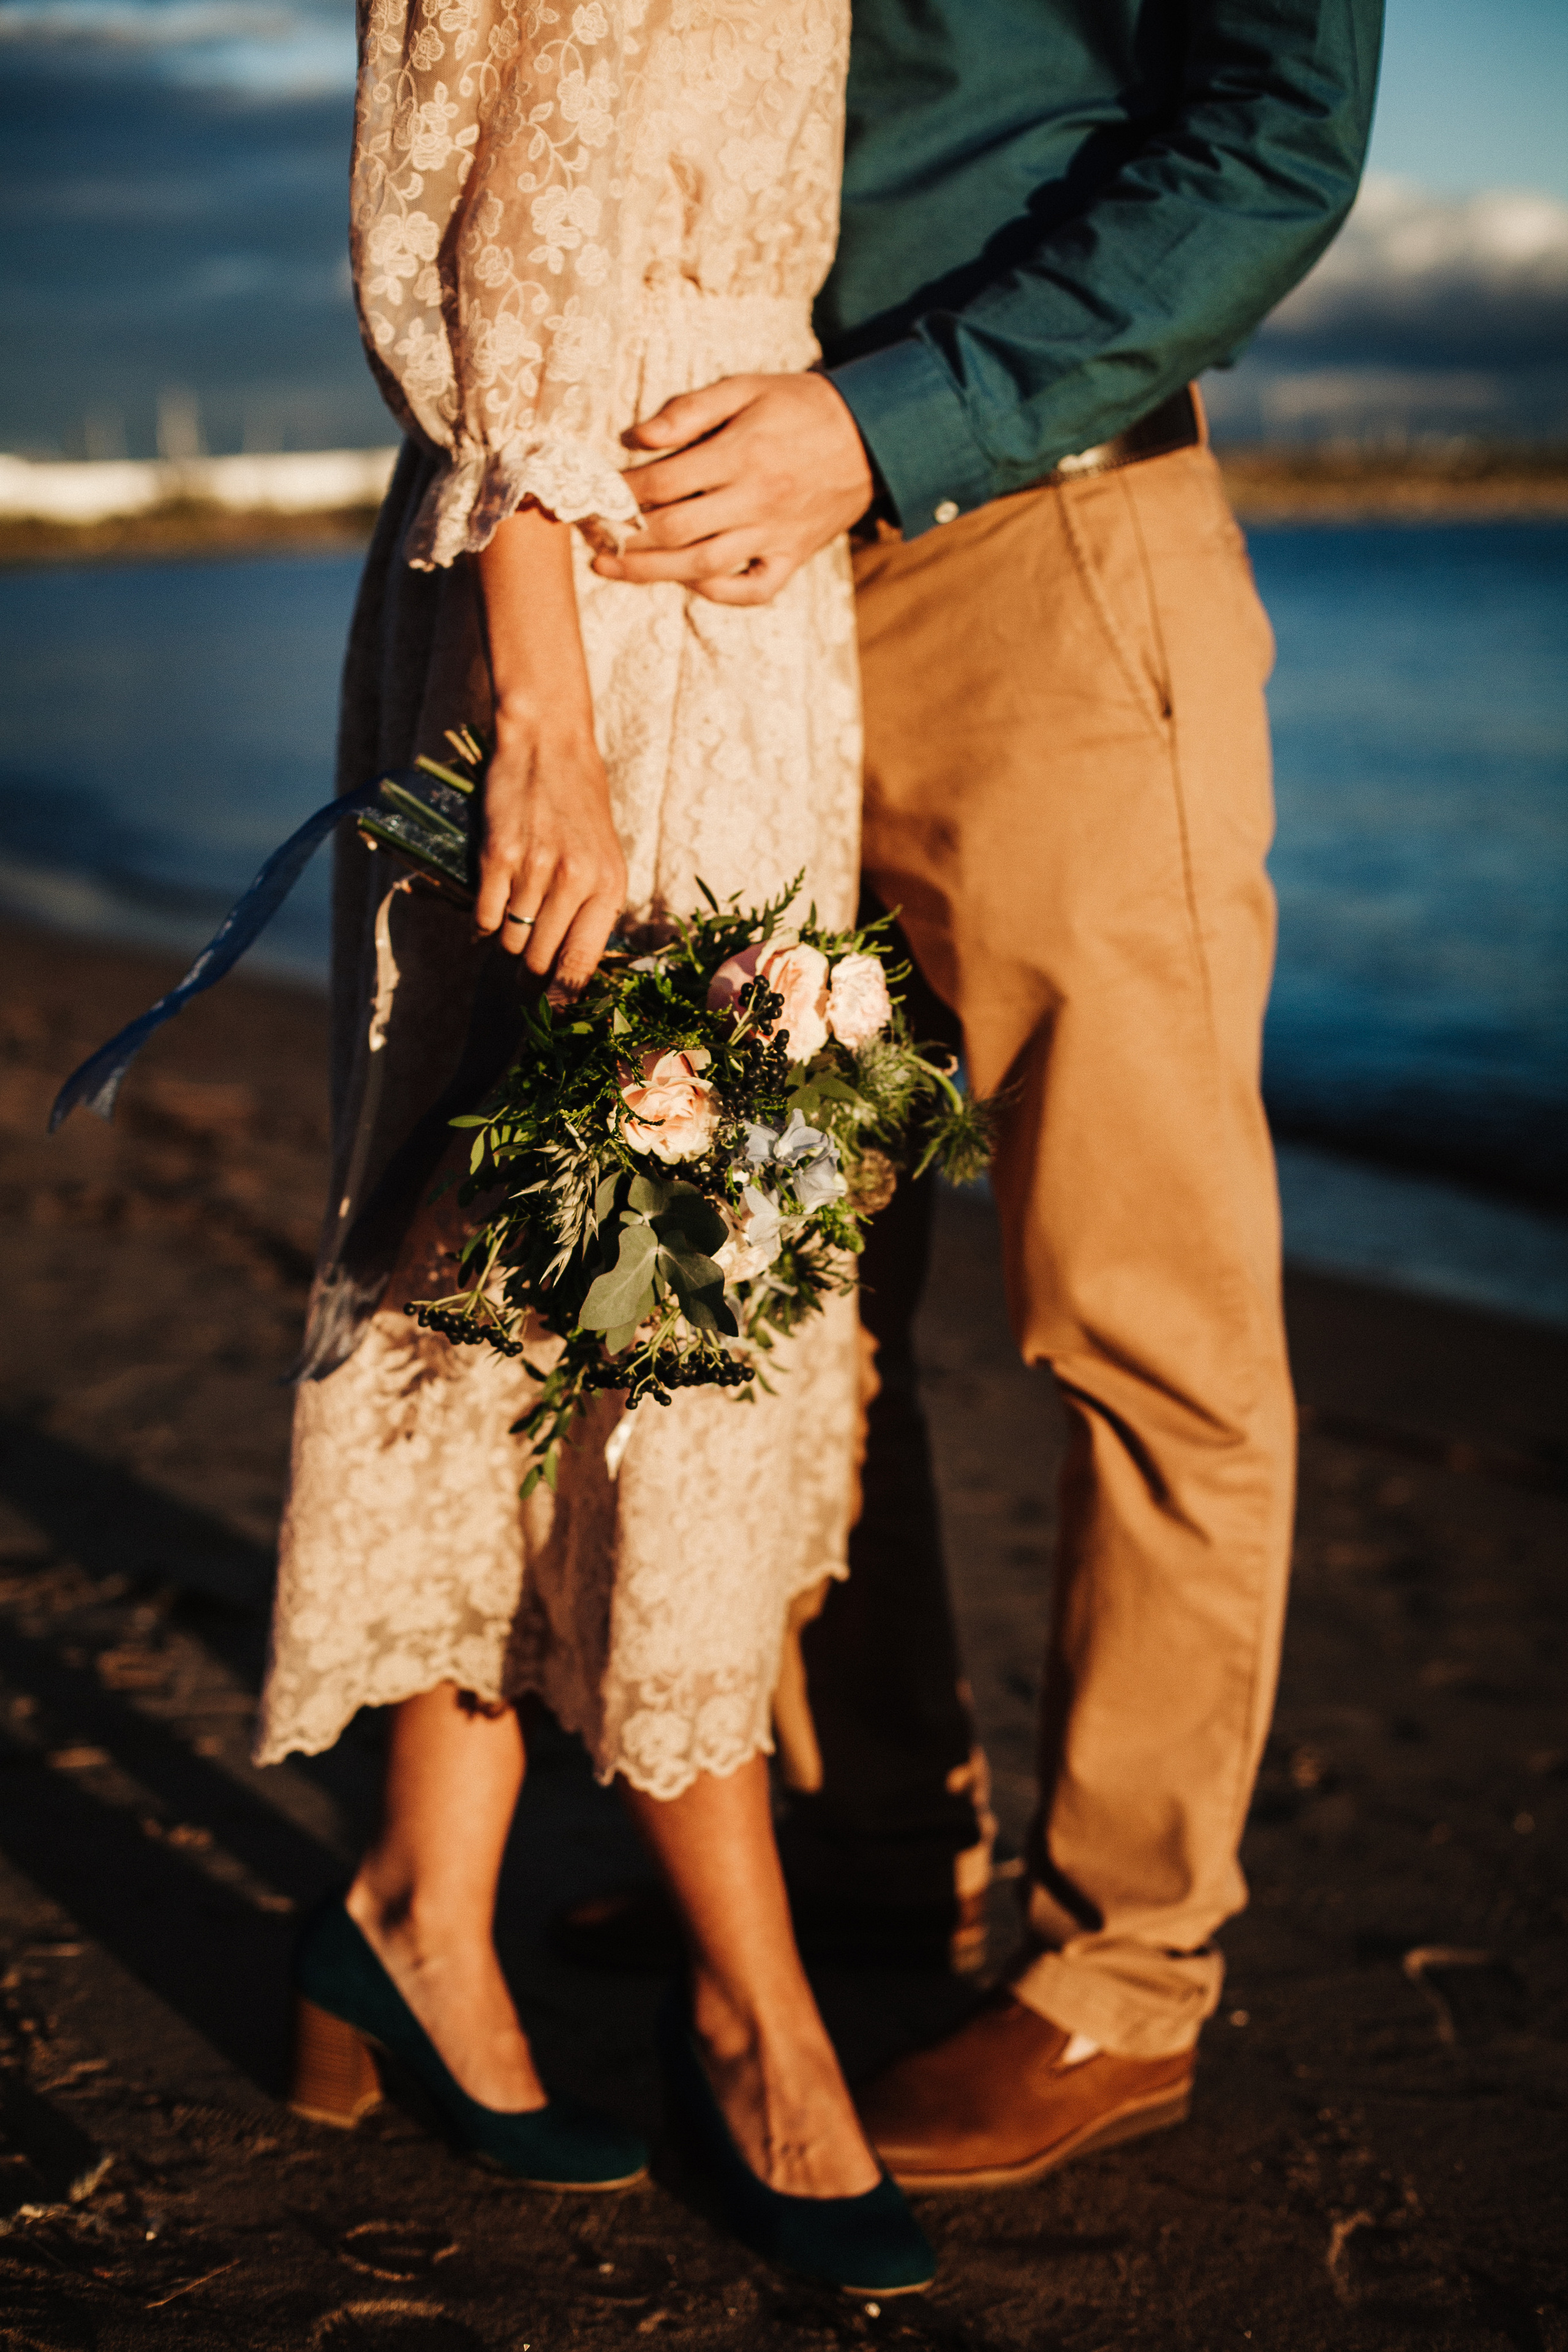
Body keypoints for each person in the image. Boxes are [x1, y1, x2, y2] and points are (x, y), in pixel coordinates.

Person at [581, 0, 1385, 2185]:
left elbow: (1282, 137)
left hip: (1046, 551)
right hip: (746, 610)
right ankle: (866, 1854)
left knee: (1145, 1315)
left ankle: (1126, 1976)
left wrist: (883, 422)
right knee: (776, 1289)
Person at [255, 0, 932, 2296]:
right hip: (585, 610)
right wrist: (539, 707)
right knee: (640, 1260)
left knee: (561, 1260)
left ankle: (418, 1910)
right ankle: (759, 2025)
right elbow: (475, 226)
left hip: (741, 611)